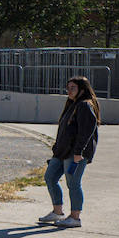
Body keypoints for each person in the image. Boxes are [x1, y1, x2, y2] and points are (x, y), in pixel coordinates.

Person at [40, 76, 100, 230]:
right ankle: (57, 212)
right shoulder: (72, 104)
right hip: (62, 152)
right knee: (50, 177)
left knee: (73, 183)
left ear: (82, 89)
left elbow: (87, 130)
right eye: (68, 87)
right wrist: (56, 148)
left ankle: (75, 217)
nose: (69, 90)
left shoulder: (85, 106)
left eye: (73, 87)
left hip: (75, 153)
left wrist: (79, 152)